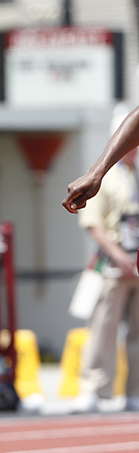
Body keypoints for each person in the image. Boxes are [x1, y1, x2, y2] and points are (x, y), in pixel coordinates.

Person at [62, 106, 139, 413]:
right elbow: (94, 224)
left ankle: (135, 392)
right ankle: (95, 389)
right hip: (114, 264)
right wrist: (120, 257)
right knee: (103, 328)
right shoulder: (111, 177)